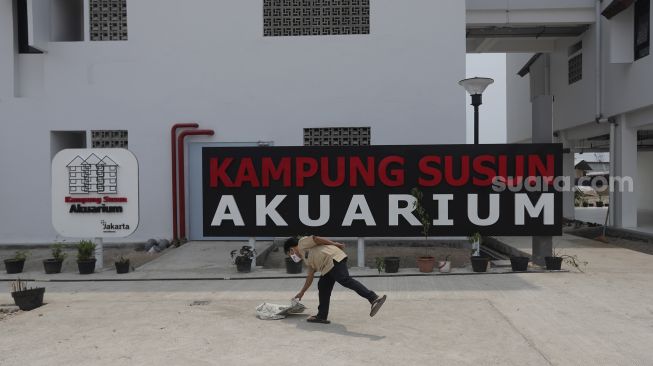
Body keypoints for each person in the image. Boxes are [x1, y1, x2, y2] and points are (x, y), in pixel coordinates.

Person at [284, 235, 387, 324]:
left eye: (290, 254)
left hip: (333, 258)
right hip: (327, 267)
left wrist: (335, 244)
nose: (292, 257)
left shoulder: (302, 243)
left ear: (291, 249)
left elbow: (316, 239)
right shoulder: (306, 260)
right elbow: (310, 277)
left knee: (344, 279)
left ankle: (373, 298)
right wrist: (302, 292)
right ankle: (321, 316)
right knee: (323, 286)